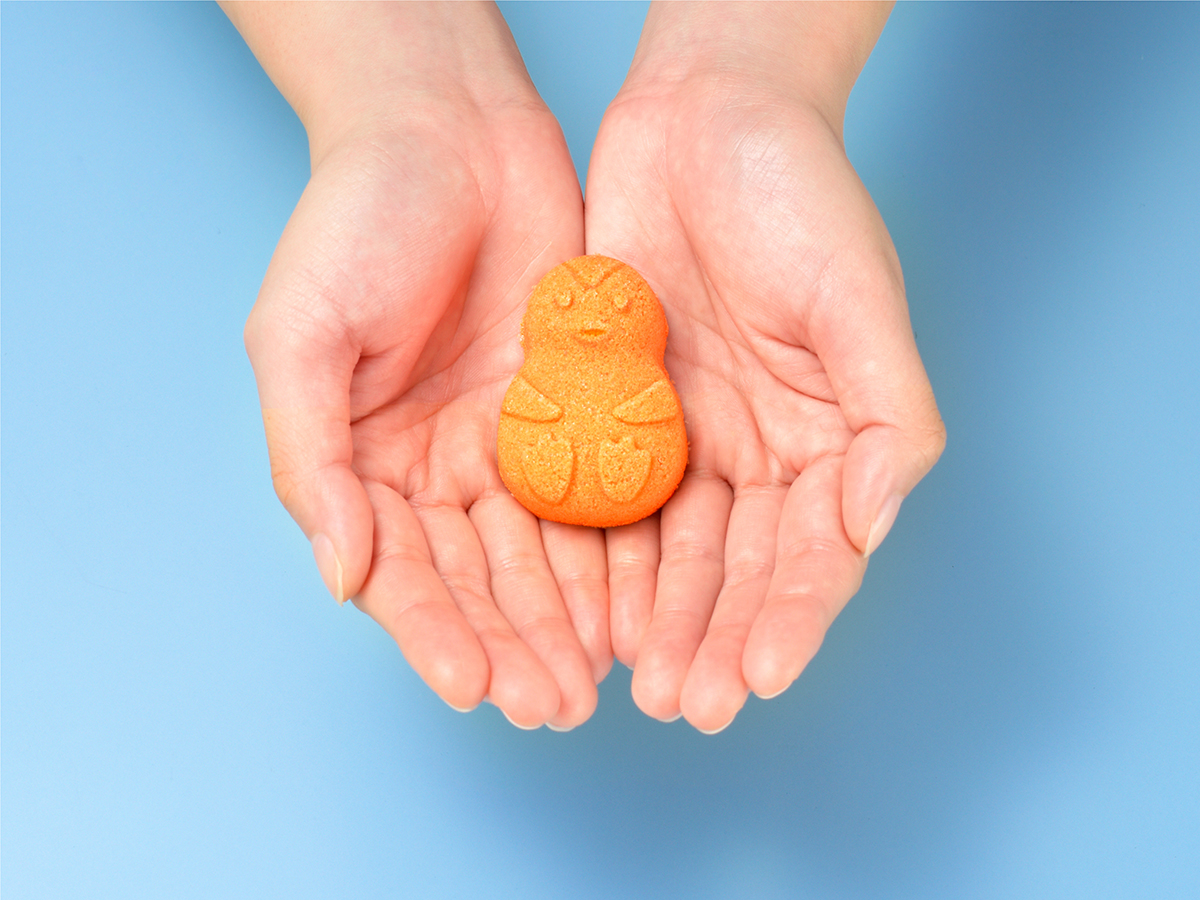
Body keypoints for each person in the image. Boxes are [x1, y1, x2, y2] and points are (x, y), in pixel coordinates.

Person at [220, 1, 945, 733]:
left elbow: (647, 414)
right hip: (557, 438)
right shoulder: (539, 378)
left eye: (612, 310)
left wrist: (750, 67)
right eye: (573, 309)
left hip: (626, 435)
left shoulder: (643, 376)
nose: (594, 313)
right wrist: (408, 91)